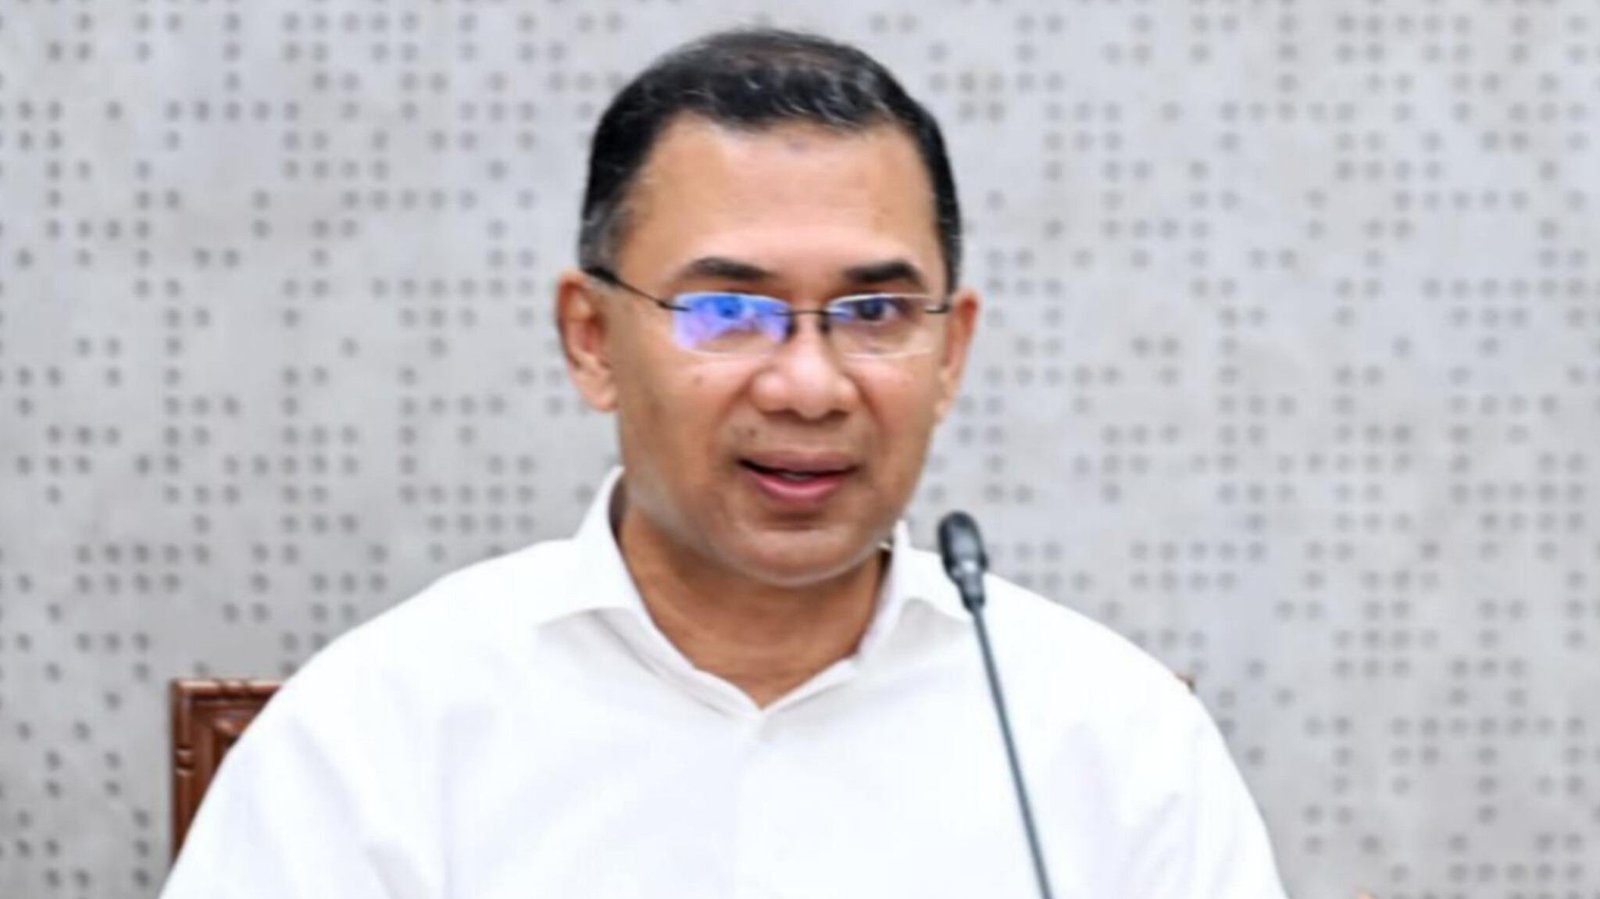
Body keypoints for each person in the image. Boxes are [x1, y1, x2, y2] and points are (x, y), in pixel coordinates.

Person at [160, 28, 1288, 899]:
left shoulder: (1110, 739)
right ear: (591, 339)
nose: (808, 385)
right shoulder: (381, 731)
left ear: (950, 352)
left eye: (874, 312)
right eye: (727, 311)